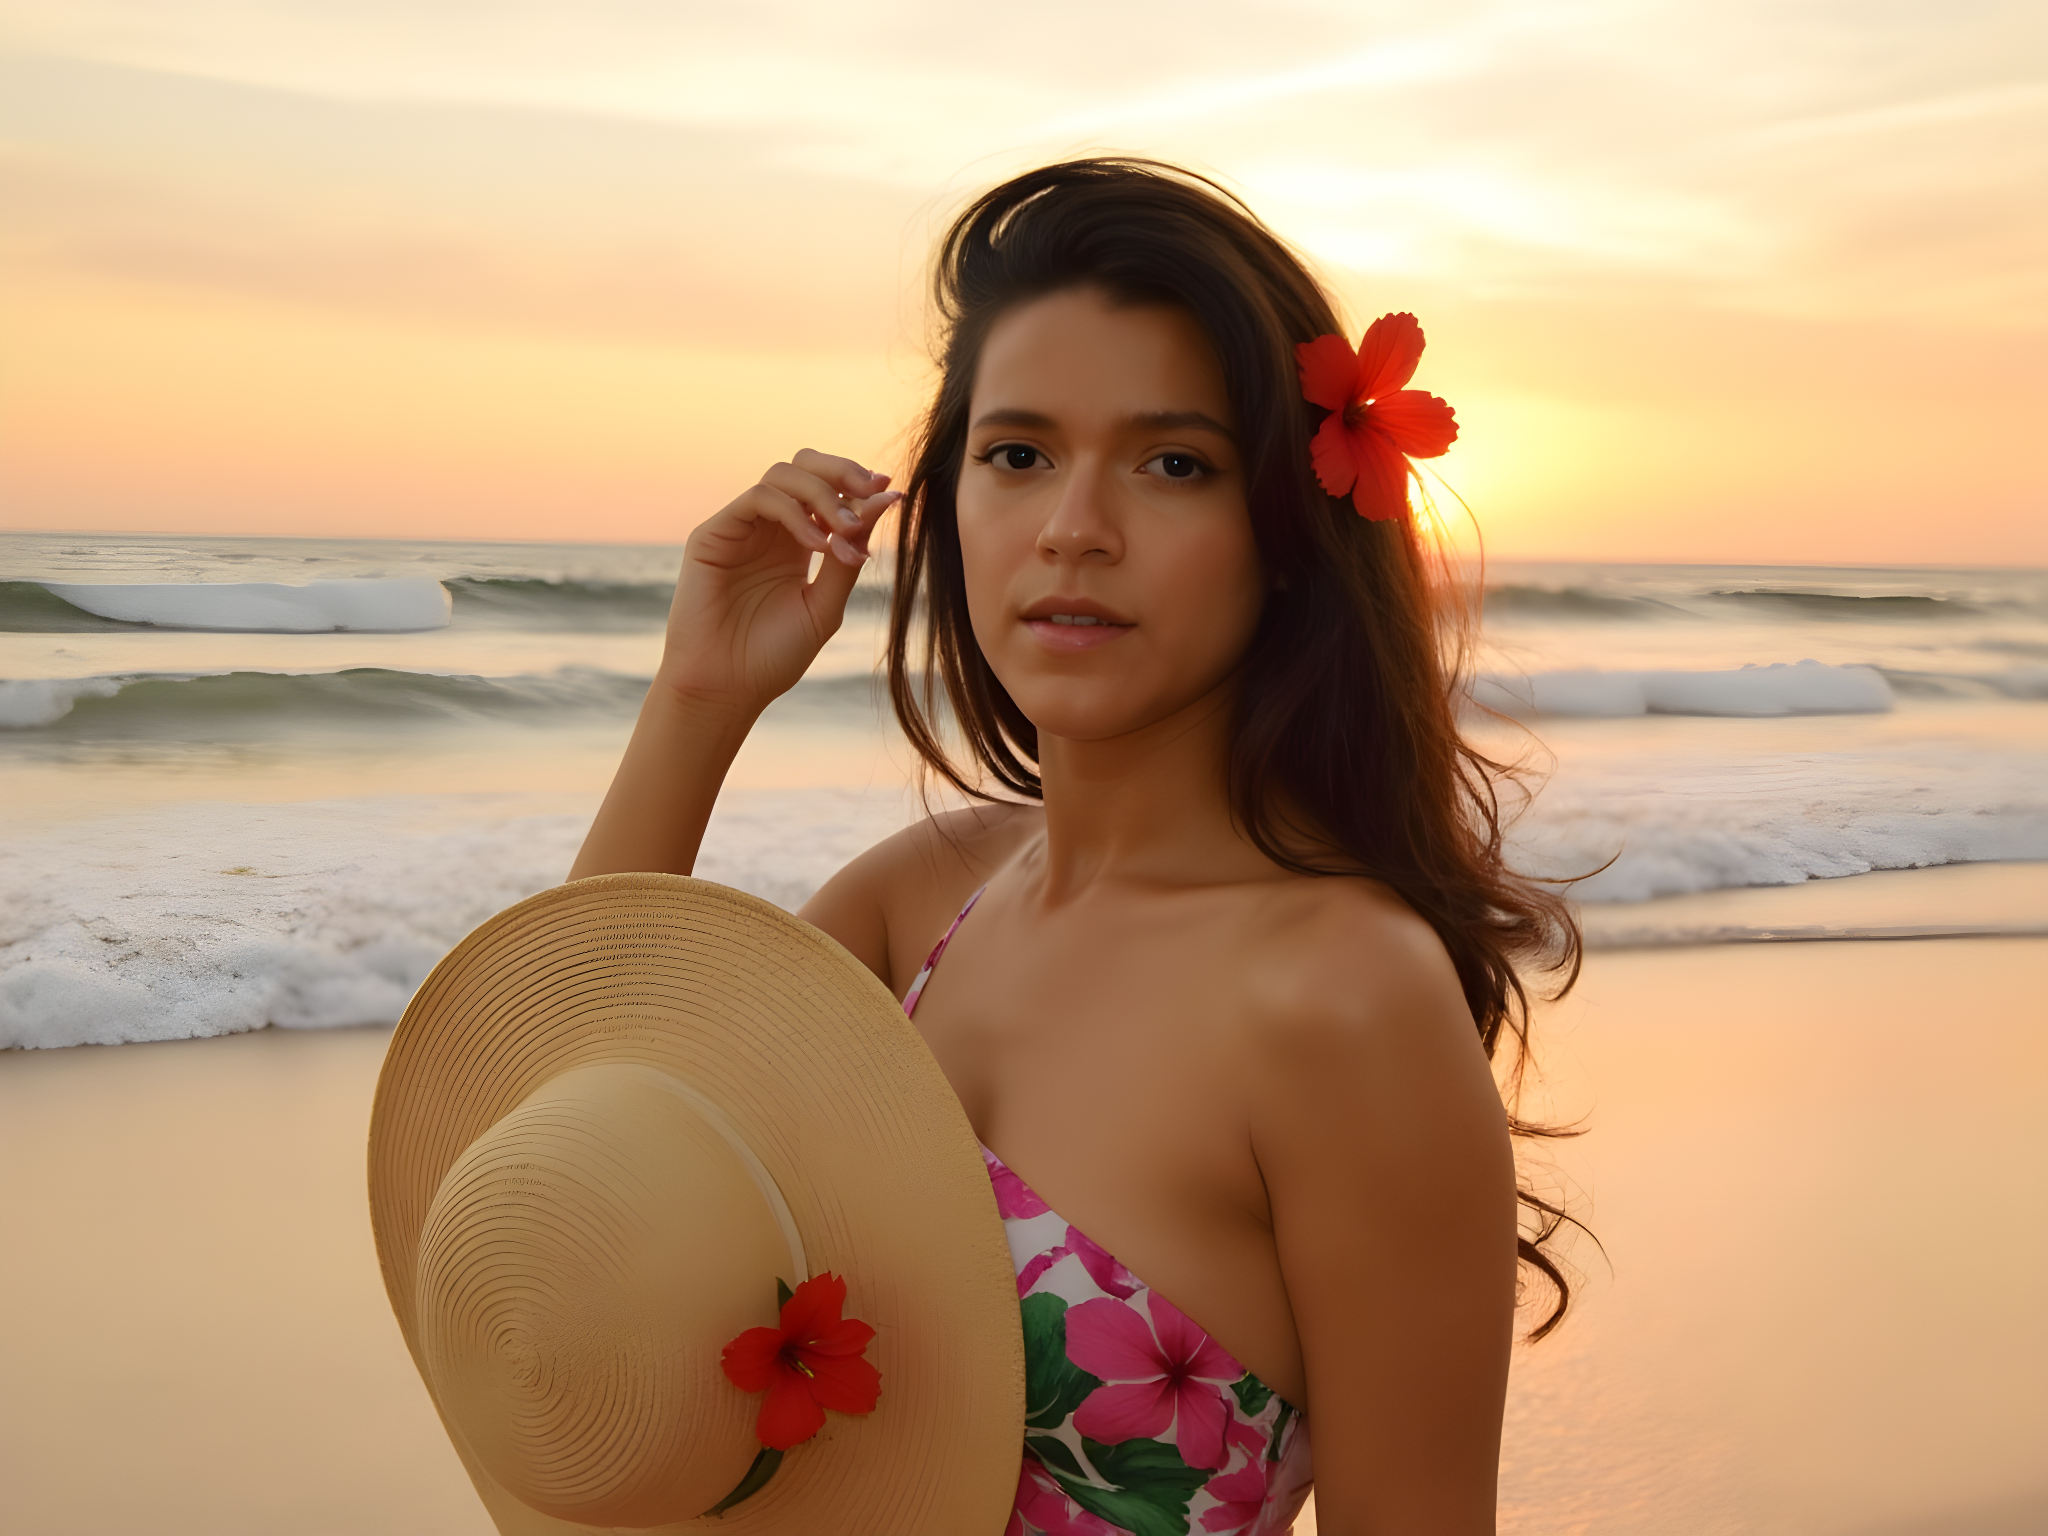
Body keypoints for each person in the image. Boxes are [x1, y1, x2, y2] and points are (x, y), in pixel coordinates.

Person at [571, 158, 1578, 1536]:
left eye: (1174, 464)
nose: (1072, 530)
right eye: (1019, 454)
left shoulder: (1342, 997)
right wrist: (698, 700)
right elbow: (574, 1180)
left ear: (1285, 534)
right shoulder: (920, 903)